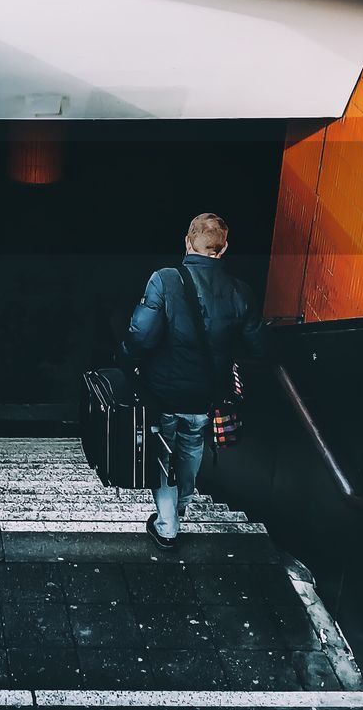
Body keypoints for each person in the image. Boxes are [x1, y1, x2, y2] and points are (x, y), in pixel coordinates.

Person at [119, 212, 267, 550]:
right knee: (191, 443)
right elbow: (259, 344)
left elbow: (141, 335)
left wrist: (126, 364)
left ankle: (168, 524)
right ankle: (184, 499)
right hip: (207, 393)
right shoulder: (238, 290)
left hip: (165, 391)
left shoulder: (165, 280)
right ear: (223, 248)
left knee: (162, 449)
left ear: (188, 242)